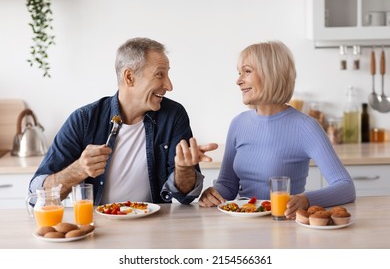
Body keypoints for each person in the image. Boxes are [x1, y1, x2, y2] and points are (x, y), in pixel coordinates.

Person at [29, 37, 218, 205]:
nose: (169, 85)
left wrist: (183, 170)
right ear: (129, 77)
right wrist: (78, 169)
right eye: (160, 74)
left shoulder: (173, 115)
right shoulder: (84, 120)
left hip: (154, 227)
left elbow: (186, 196)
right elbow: (36, 194)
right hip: (98, 228)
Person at [199, 41, 356, 218]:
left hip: (282, 223)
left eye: (247, 71)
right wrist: (212, 194)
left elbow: (346, 187)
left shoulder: (306, 126)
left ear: (271, 74)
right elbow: (228, 186)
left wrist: (305, 199)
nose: (238, 80)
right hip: (243, 226)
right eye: (239, 73)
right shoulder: (238, 124)